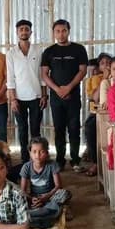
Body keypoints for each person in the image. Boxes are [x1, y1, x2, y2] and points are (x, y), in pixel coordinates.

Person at [41, 19, 88, 172]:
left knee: (74, 129)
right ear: (54, 33)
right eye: (58, 31)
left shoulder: (79, 49)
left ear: (68, 31)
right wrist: (57, 89)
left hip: (73, 96)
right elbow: (44, 74)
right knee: (59, 129)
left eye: (64, 31)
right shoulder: (49, 52)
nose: (61, 34)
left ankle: (75, 160)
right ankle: (60, 160)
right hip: (56, 98)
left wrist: (69, 87)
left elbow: (82, 71)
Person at [6, 19, 47, 164]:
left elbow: (42, 76)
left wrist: (44, 95)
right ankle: (25, 159)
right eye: (21, 29)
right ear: (17, 32)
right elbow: (10, 78)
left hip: (36, 96)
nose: (24, 32)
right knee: (22, 129)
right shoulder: (11, 53)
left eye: (26, 29)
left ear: (31, 32)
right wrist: (13, 100)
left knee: (35, 130)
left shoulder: (38, 51)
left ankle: (37, 158)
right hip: (19, 98)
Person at [20, 137, 72, 227]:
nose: (37, 155)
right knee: (18, 195)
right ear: (30, 153)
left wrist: (46, 197)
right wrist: (31, 199)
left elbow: (58, 186)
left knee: (64, 193)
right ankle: (50, 213)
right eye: (34, 152)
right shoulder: (26, 167)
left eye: (41, 152)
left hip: (50, 196)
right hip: (34, 199)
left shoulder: (52, 165)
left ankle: (35, 214)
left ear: (47, 153)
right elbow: (23, 190)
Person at [84, 53, 111, 175]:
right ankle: (95, 162)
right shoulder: (96, 79)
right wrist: (104, 79)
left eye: (108, 63)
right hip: (100, 111)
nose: (106, 65)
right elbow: (95, 98)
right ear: (99, 67)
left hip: (114, 112)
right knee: (90, 126)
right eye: (102, 63)